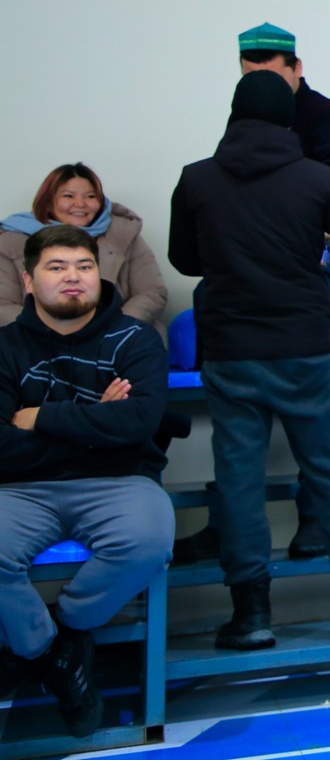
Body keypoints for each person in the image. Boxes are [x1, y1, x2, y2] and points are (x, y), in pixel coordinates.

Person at [168, 70, 330, 650]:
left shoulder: (196, 178)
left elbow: (185, 259)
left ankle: (251, 615)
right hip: (304, 347)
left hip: (231, 350)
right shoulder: (316, 177)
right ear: (288, 119)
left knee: (238, 480)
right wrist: (319, 241)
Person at [0, 225, 173, 737]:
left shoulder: (136, 339)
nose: (72, 277)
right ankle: (45, 649)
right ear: (29, 280)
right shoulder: (3, 346)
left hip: (119, 481)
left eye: (84, 266)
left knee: (148, 540)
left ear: (99, 274)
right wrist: (97, 422)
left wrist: (40, 417)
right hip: (20, 487)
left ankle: (70, 627)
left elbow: (138, 423)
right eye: (56, 267)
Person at [0, 163, 168, 336]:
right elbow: (3, 305)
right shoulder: (11, 241)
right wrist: (58, 332)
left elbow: (152, 292)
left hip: (119, 333)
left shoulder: (124, 233)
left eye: (90, 196)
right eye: (68, 196)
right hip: (37, 338)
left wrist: (115, 328)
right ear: (48, 202)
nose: (80, 204)